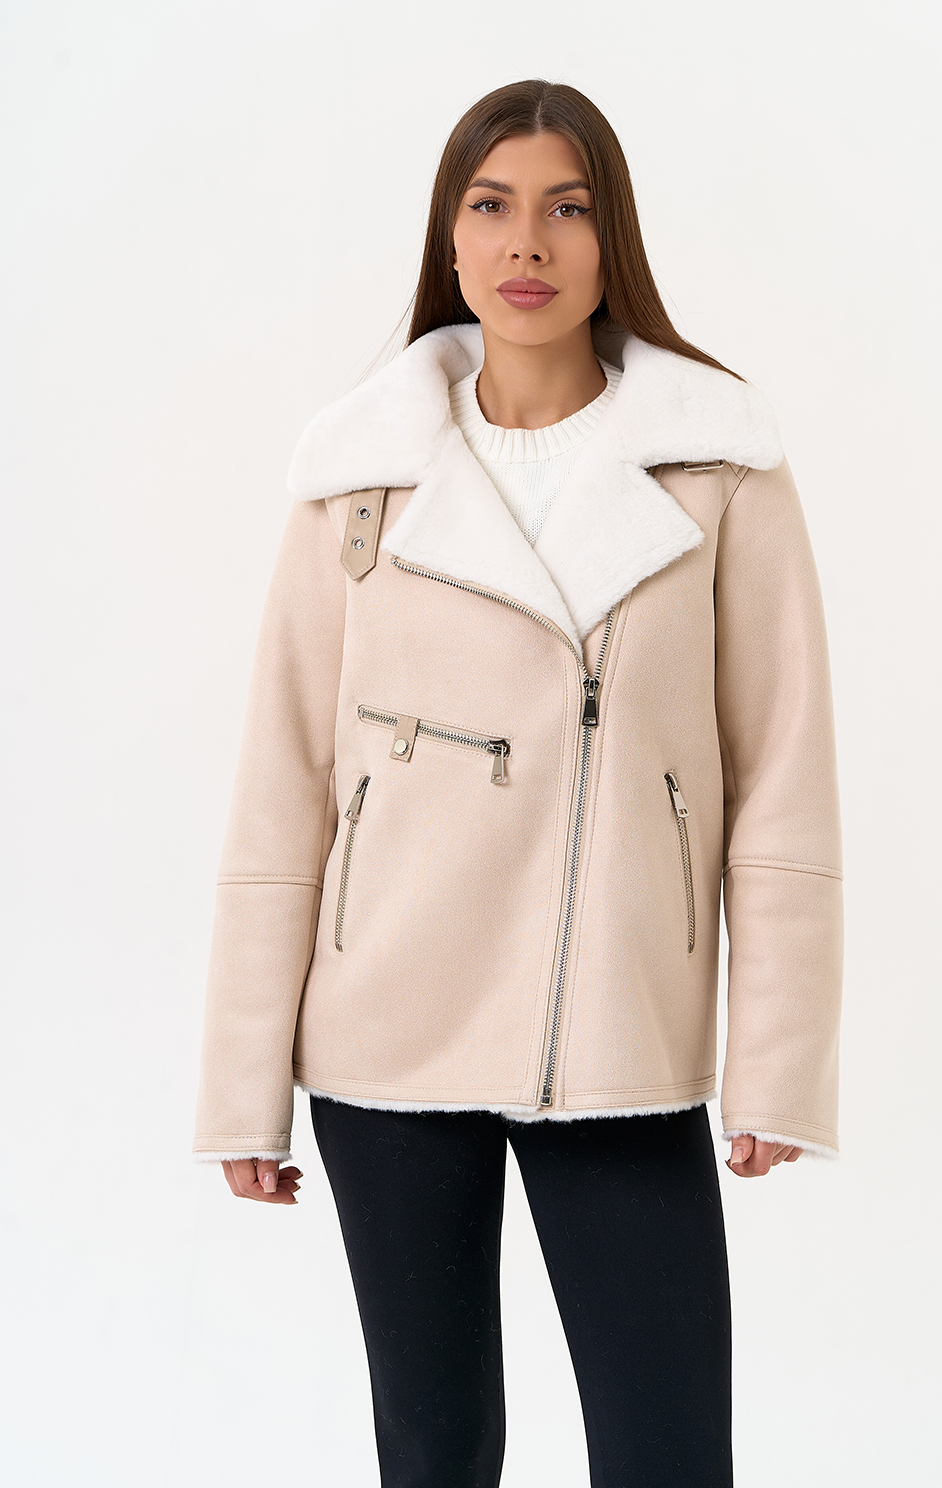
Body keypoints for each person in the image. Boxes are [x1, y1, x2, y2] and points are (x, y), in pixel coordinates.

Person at [192, 79, 843, 1488]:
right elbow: (285, 782)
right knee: (434, 1451)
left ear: (615, 242)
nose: (526, 241)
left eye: (567, 207)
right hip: (385, 1036)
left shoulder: (721, 469)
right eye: (490, 206)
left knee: (669, 1450)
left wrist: (776, 1065)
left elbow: (781, 773)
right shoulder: (357, 479)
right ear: (450, 237)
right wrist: (243, 1086)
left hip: (618, 1033)